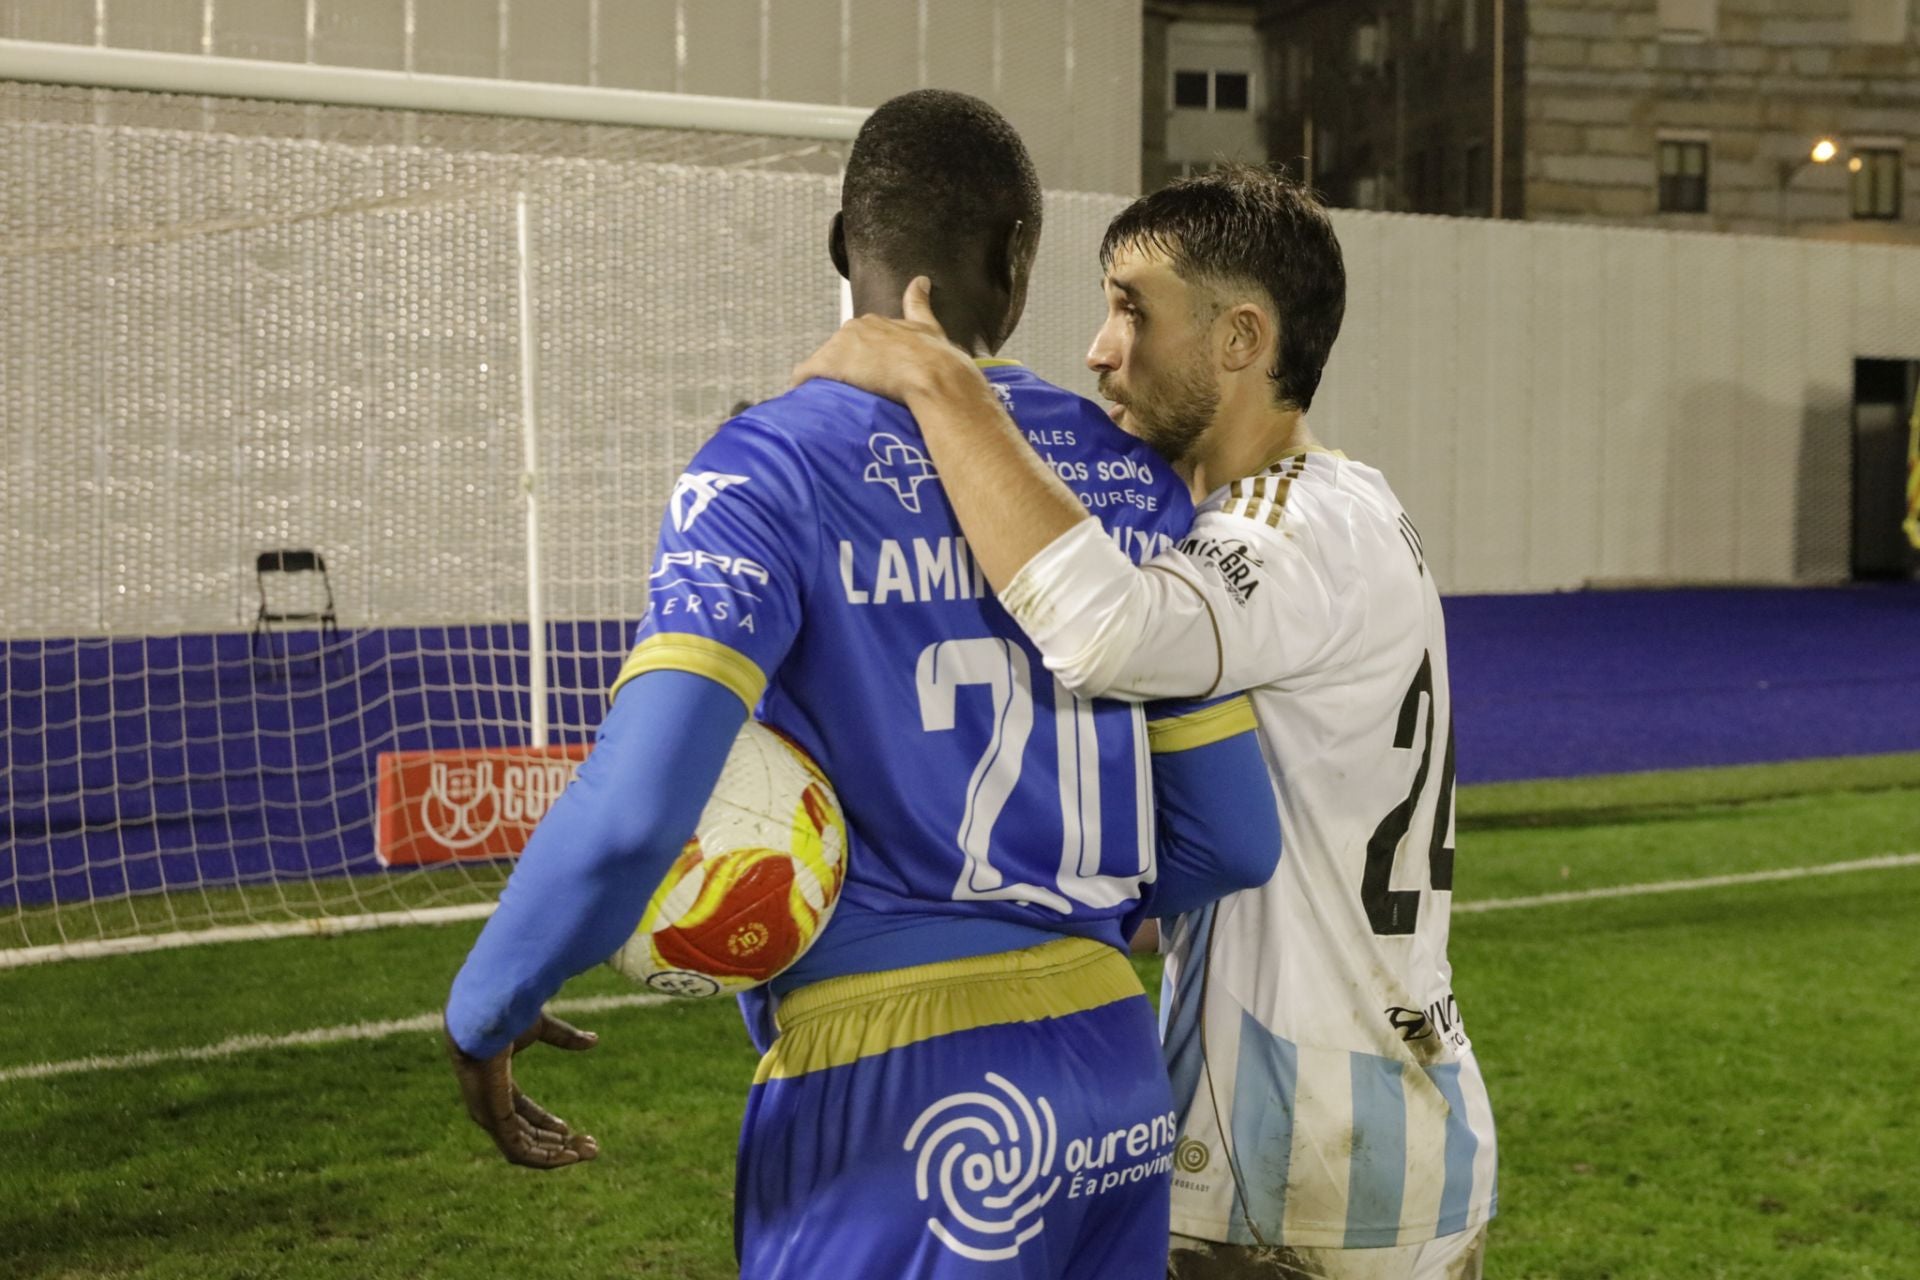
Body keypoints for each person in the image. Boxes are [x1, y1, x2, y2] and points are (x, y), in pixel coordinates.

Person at [442, 93, 1281, 1280]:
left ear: (844, 248)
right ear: (1017, 258)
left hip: (897, 1099)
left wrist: (489, 1003)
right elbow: (1236, 839)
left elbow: (634, 808)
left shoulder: (770, 459)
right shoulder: (1128, 473)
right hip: (1112, 1071)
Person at [793, 165, 1497, 1280]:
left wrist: (948, 390)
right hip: (1380, 1125)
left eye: (1133, 308)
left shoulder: (1285, 525)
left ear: (1240, 338)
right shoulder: (1347, 504)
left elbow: (1108, 630)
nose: (1099, 348)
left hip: (1295, 1165)